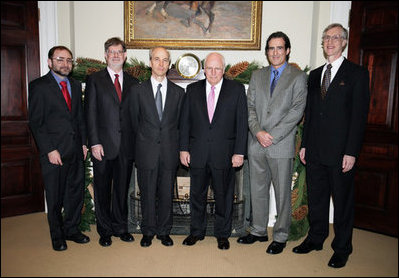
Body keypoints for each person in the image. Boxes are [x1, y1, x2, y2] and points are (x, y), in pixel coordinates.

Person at [292, 23, 370, 268]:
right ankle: (316, 238)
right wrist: (304, 145)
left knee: (342, 202)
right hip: (314, 150)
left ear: (344, 42)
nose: (330, 41)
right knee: (316, 198)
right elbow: (311, 113)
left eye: (335, 37)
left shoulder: (356, 74)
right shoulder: (315, 75)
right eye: (326, 37)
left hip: (341, 153)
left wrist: (351, 152)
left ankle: (342, 248)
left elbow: (359, 117)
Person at [237, 31, 307, 255]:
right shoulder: (257, 76)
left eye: (279, 48)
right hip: (257, 143)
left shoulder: (297, 77)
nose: (275, 52)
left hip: (281, 144)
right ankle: (258, 231)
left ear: (287, 50)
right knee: (257, 190)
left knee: (282, 193)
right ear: (266, 52)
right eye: (271, 48)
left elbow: (296, 111)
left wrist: (272, 135)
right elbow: (249, 108)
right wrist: (258, 132)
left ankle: (281, 235)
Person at [179, 52, 248, 250]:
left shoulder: (236, 90)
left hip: (225, 154)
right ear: (204, 70)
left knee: (224, 197)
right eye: (209, 68)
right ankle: (196, 232)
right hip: (198, 153)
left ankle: (222, 234)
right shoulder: (192, 90)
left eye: (217, 68)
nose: (213, 72)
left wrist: (239, 152)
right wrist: (183, 148)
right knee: (197, 195)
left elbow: (242, 123)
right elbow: (185, 122)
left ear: (224, 70)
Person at [29, 45, 89, 251]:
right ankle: (57, 236)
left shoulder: (74, 83)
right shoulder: (38, 86)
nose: (65, 64)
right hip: (54, 152)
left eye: (69, 60)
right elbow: (36, 123)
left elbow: (79, 118)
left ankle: (72, 230)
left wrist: (83, 143)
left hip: (75, 150)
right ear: (50, 62)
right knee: (55, 197)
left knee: (75, 193)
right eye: (60, 59)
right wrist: (49, 149)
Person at [85, 37, 139, 247]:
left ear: (125, 56)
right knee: (102, 190)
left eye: (119, 52)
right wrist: (94, 143)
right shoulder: (95, 80)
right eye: (111, 51)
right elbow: (90, 114)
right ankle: (105, 230)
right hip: (103, 146)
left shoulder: (134, 83)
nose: (116, 55)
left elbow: (135, 117)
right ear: (106, 55)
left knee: (121, 190)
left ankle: (120, 227)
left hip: (126, 147)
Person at [128, 47, 185, 247]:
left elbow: (181, 125)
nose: (161, 64)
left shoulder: (179, 93)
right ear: (150, 62)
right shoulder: (137, 91)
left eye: (165, 60)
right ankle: (148, 231)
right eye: (157, 59)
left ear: (169, 65)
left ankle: (164, 231)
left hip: (169, 152)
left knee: (167, 194)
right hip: (146, 152)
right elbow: (133, 124)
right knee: (147, 194)